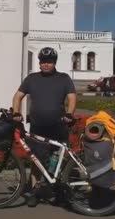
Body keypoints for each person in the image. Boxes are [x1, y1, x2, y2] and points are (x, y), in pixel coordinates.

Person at [11, 47, 77, 207]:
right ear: (39, 63)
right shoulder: (32, 78)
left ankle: (57, 189)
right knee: (36, 160)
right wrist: (15, 112)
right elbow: (18, 96)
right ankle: (35, 191)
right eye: (43, 62)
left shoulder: (64, 78)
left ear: (55, 63)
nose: (46, 65)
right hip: (38, 127)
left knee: (58, 158)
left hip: (58, 126)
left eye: (50, 62)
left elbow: (72, 97)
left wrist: (69, 113)